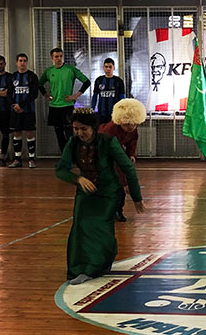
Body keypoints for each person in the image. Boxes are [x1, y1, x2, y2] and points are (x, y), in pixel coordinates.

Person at [56, 108, 144, 285]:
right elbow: (60, 170)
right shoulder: (73, 143)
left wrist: (136, 197)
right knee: (80, 228)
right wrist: (78, 179)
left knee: (99, 228)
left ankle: (95, 267)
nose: (79, 133)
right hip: (85, 192)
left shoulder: (108, 142)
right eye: (75, 129)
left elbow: (128, 168)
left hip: (109, 192)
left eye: (84, 129)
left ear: (93, 128)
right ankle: (79, 268)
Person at [98, 98, 147, 221]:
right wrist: (124, 182)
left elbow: (133, 141)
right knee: (114, 186)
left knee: (121, 189)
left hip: (116, 153)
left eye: (134, 124)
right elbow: (116, 162)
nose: (131, 127)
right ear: (120, 121)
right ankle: (109, 211)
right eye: (127, 124)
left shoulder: (132, 129)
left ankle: (118, 211)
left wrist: (131, 154)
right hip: (102, 156)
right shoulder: (109, 131)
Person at [40, 48, 90, 152]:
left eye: (60, 56)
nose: (59, 58)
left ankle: (73, 154)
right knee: (59, 134)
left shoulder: (70, 69)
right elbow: (39, 84)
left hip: (67, 106)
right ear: (52, 58)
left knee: (69, 133)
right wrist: (46, 95)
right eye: (56, 56)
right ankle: (64, 155)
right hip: (54, 106)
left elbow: (87, 82)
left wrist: (75, 96)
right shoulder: (49, 71)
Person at [8, 53, 41, 169]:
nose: (22, 63)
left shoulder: (32, 76)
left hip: (28, 111)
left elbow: (34, 94)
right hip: (15, 111)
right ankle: (17, 159)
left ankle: (31, 159)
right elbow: (9, 93)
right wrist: (14, 105)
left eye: (24, 61)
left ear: (27, 62)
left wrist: (21, 105)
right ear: (16, 62)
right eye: (20, 61)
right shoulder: (12, 77)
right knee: (16, 133)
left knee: (29, 133)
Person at [91, 58, 126, 126]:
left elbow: (122, 98)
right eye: (106, 67)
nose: (108, 69)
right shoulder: (99, 80)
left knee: (114, 130)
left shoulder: (118, 81)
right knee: (101, 130)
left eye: (110, 67)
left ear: (114, 68)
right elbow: (95, 96)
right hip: (101, 113)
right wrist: (92, 109)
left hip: (114, 113)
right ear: (103, 68)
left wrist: (122, 111)